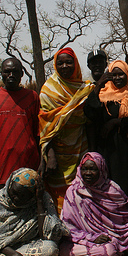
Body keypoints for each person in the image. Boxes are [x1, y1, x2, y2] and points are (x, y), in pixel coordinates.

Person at [59, 152, 128, 256]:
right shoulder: (73, 191)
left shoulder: (112, 190)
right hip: (82, 241)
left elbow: (127, 221)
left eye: (93, 169)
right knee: (63, 253)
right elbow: (66, 227)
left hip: (110, 241)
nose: (88, 173)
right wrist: (92, 237)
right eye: (85, 169)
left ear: (102, 169)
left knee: (110, 252)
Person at [39, 47, 93, 213]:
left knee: (82, 189)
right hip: (58, 154)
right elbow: (45, 127)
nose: (64, 66)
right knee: (59, 193)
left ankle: (81, 227)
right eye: (60, 63)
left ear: (75, 64)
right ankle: (61, 228)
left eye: (68, 62)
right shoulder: (48, 91)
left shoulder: (85, 88)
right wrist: (50, 154)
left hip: (80, 147)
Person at [0, 58, 40, 196]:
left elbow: (38, 133)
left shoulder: (32, 97)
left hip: (29, 165)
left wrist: (41, 164)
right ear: (1, 74)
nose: (11, 75)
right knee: (3, 210)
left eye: (15, 71)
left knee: (31, 211)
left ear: (22, 74)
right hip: (2, 167)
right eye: (7, 72)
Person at [84, 60, 128, 196]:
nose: (118, 78)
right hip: (107, 152)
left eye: (121, 74)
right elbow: (89, 113)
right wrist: (99, 85)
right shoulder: (101, 98)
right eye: (114, 75)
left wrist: (117, 122)